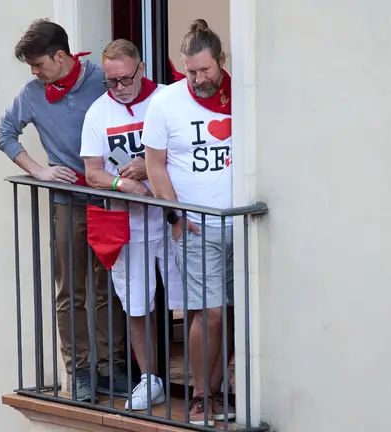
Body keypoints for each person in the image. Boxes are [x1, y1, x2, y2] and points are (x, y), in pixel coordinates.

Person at [0, 18, 129, 402]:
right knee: (71, 292)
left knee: (109, 288)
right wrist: (40, 171)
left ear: (60, 55)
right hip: (68, 202)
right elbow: (4, 133)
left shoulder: (104, 78)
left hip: (110, 196)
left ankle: (111, 368)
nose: (35, 72)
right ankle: (80, 372)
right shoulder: (32, 94)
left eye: (39, 64)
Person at [80, 39, 185, 411]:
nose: (120, 88)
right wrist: (124, 184)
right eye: (111, 82)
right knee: (137, 305)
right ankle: (151, 379)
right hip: (128, 223)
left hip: (174, 217)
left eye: (126, 79)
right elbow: (92, 173)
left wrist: (151, 167)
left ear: (141, 69)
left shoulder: (168, 98)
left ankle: (203, 383)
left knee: (192, 299)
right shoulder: (99, 112)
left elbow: (188, 151)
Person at [143, 19, 236, 425]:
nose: (197, 79)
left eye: (205, 70)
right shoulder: (165, 102)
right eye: (190, 71)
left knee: (233, 312)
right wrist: (175, 217)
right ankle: (198, 395)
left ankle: (216, 390)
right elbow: (155, 166)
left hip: (243, 222)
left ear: (221, 61)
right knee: (208, 311)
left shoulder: (243, 94)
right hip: (196, 226)